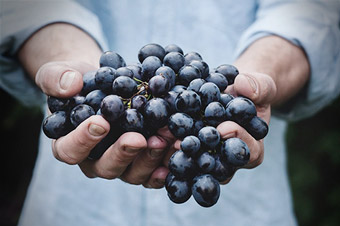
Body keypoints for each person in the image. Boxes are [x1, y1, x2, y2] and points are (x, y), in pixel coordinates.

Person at [1, 0, 340, 225]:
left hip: (242, 210)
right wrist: (71, 71)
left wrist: (256, 77)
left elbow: (311, 13)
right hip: (74, 209)